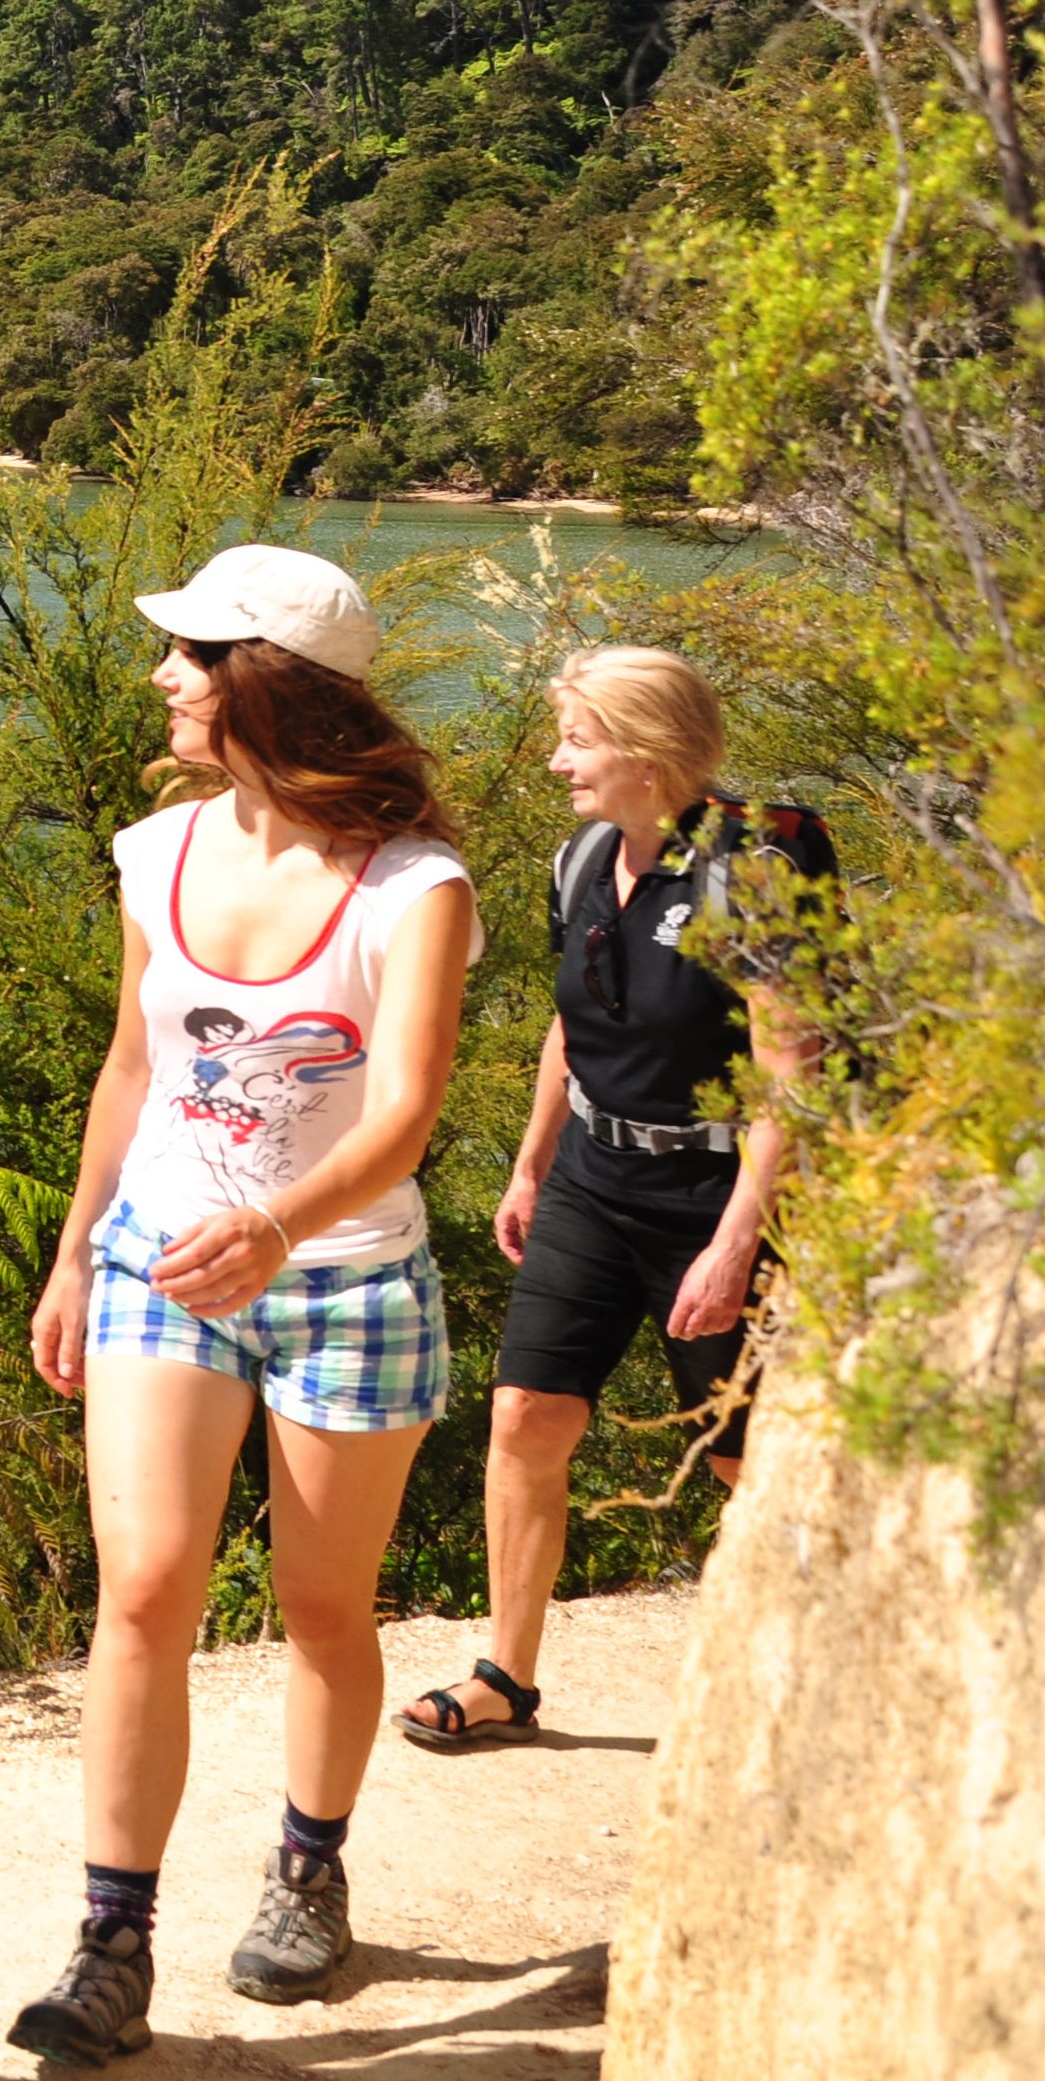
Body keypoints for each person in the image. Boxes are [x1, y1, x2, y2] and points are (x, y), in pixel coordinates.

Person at [12, 544, 482, 2069]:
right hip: (163, 1264)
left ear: (266, 682)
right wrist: (81, 1248)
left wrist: (278, 1227)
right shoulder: (155, 853)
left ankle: (308, 1867)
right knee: (142, 1587)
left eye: (193, 654)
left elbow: (406, 1112)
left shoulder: (416, 887)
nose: (164, 676)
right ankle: (111, 1943)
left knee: (321, 1609)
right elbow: (133, 1066)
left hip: (345, 1286)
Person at [395, 646, 827, 1754]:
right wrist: (532, 1163)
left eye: (577, 740)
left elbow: (793, 1069)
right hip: (594, 1175)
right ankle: (505, 1675)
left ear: (645, 751)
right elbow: (573, 1019)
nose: (557, 761)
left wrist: (735, 1244)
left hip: (720, 1193)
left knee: (741, 1454)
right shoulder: (584, 853)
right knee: (527, 1416)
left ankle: (790, 1689)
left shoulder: (757, 873)